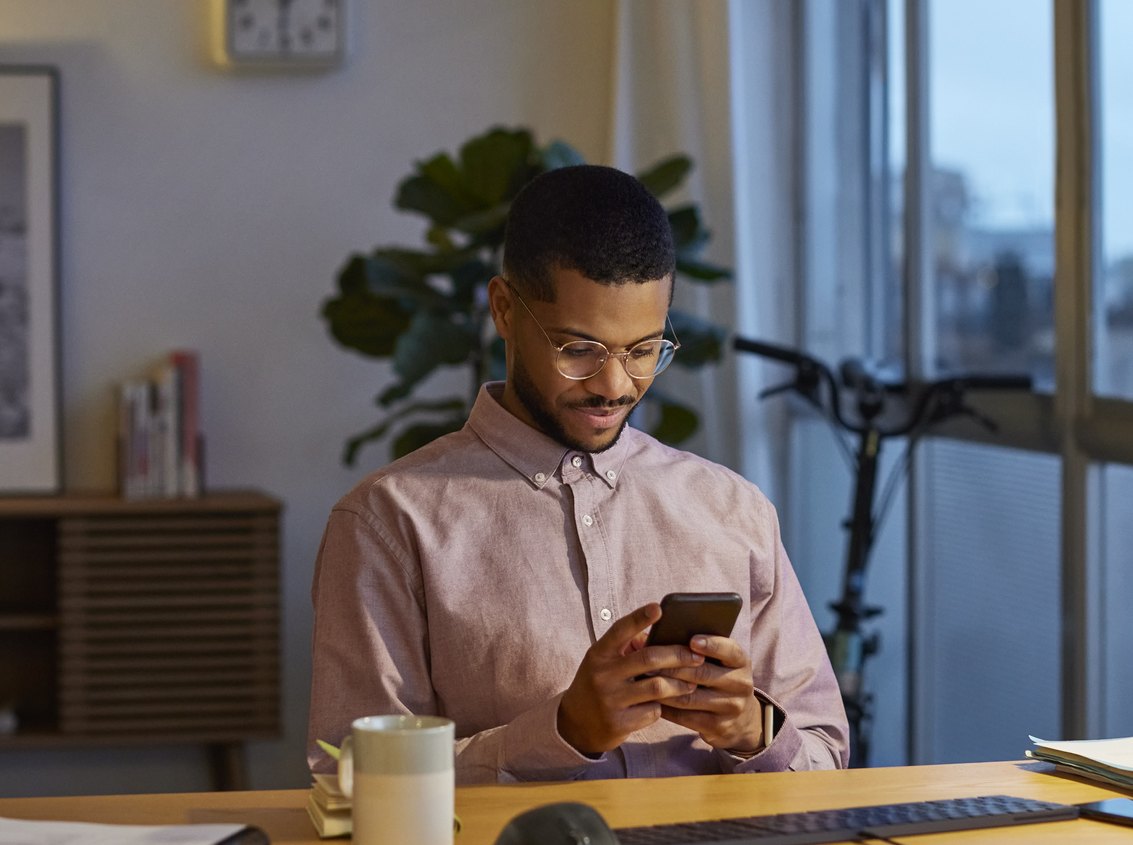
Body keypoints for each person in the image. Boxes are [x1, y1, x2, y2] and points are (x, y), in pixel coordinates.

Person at [309, 164, 849, 783]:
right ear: (505, 310)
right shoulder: (388, 523)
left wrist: (753, 730)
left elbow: (826, 759)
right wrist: (562, 734)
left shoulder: (733, 510)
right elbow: (351, 779)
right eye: (579, 349)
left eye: (644, 350)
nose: (614, 385)